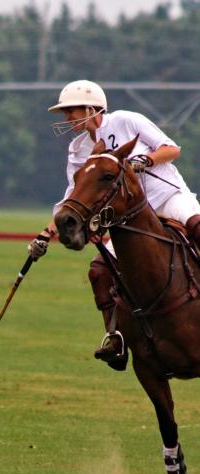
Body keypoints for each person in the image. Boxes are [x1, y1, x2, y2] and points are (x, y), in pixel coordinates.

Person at [28, 79, 200, 371]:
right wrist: (47, 231)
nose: (67, 118)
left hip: (166, 198)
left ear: (93, 107)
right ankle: (116, 336)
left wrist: (144, 160)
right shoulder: (78, 148)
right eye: (65, 113)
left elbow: (171, 149)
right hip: (128, 217)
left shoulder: (126, 120)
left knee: (198, 226)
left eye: (72, 111)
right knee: (100, 270)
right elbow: (74, 196)